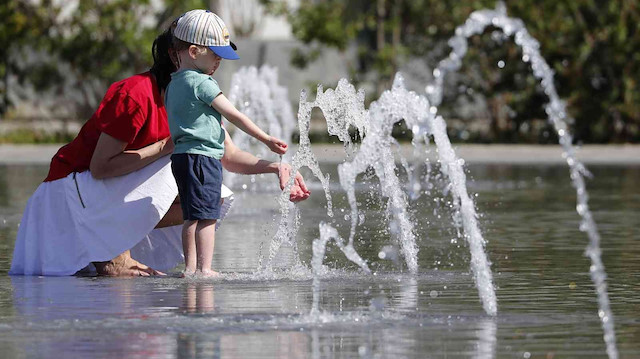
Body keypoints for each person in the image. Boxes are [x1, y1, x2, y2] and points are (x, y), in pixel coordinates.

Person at [8, 18, 310, 277]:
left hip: (100, 197)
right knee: (180, 160)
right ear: (179, 54)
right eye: (211, 55)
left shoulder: (199, 97)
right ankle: (113, 253)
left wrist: (276, 166)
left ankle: (115, 249)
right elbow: (100, 168)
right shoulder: (136, 95)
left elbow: (228, 157)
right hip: (65, 196)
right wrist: (165, 146)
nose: (216, 65)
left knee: (210, 195)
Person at [165, 10, 287, 277]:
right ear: (194, 51)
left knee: (190, 216)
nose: (219, 59)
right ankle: (205, 268)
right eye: (215, 53)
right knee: (208, 215)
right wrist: (265, 139)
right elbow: (234, 114)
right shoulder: (203, 83)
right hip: (203, 158)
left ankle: (190, 267)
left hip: (182, 157)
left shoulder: (174, 84)